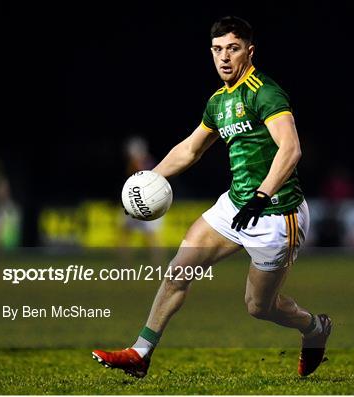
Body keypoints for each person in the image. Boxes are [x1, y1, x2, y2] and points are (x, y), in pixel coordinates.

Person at [92, 16, 332, 378]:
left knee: (258, 307)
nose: (224, 57)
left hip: (276, 215)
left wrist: (262, 195)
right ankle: (141, 353)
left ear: (249, 51)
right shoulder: (218, 102)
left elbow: (291, 149)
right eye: (218, 50)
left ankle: (314, 329)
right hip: (236, 205)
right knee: (178, 271)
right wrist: (150, 179)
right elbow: (190, 150)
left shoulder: (265, 92)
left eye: (233, 48)